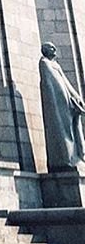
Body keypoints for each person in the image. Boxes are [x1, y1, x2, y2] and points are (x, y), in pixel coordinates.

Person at [39, 42, 85, 172]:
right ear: (45, 50)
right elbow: (53, 86)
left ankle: (76, 156)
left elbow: (65, 82)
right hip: (58, 104)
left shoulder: (55, 65)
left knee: (73, 127)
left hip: (66, 102)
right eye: (51, 48)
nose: (54, 49)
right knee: (62, 128)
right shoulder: (44, 64)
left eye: (54, 47)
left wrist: (76, 96)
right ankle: (67, 158)